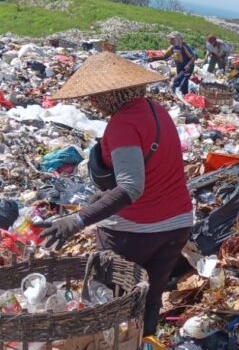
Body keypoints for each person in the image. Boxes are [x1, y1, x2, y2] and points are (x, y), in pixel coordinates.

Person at [40, 52, 193, 338]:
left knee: (108, 299)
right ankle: (143, 341)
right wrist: (99, 201)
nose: (93, 104)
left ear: (110, 95)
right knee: (150, 297)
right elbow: (153, 173)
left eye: (96, 97)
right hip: (178, 224)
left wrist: (76, 221)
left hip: (135, 232)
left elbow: (130, 187)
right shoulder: (156, 110)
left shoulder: (122, 125)